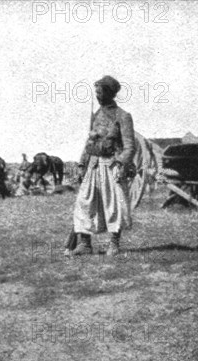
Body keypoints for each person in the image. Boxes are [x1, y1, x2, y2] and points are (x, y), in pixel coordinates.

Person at [67, 75, 136, 257]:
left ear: (110, 93)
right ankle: (84, 245)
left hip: (112, 165)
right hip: (93, 165)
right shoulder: (96, 116)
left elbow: (130, 146)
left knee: (114, 204)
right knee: (84, 202)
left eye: (100, 92)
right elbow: (89, 142)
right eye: (95, 92)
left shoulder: (123, 116)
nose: (97, 96)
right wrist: (82, 163)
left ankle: (113, 244)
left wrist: (121, 164)